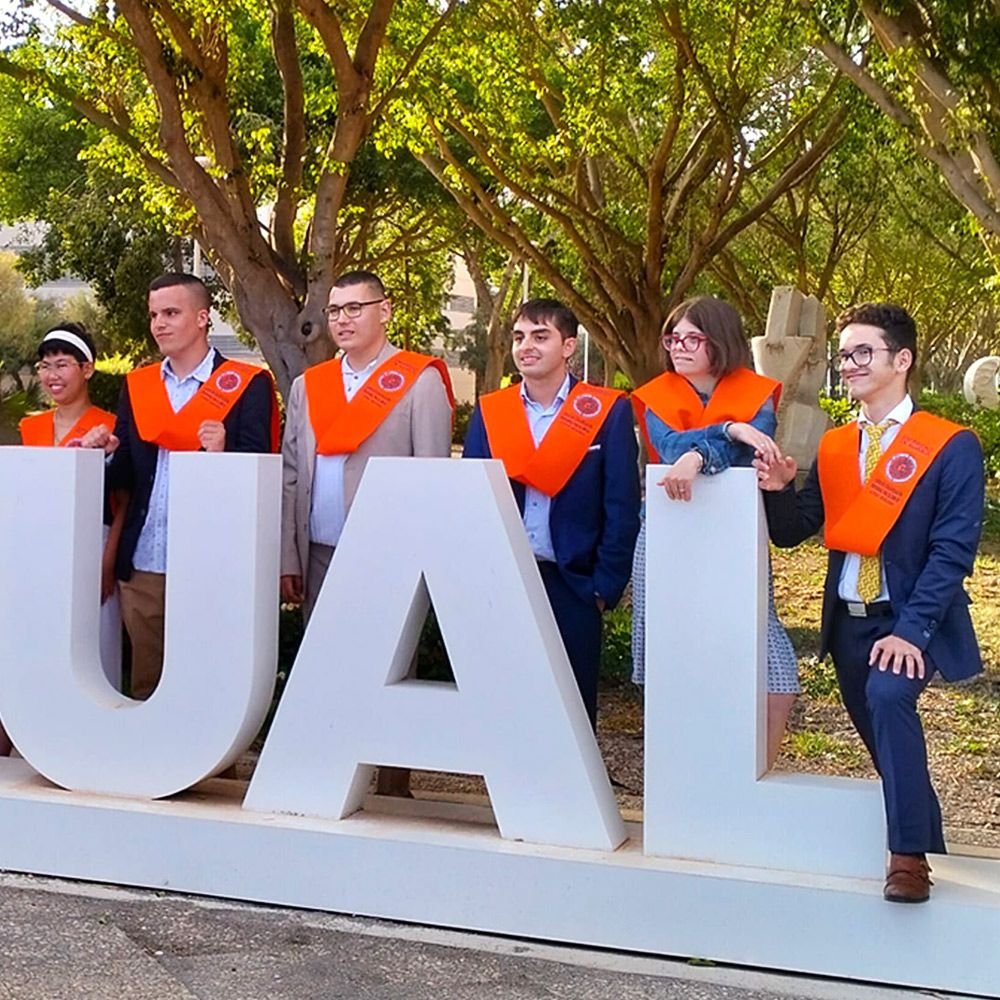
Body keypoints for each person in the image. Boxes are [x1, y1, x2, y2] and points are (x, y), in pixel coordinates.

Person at [755, 302, 985, 904]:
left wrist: (912, 632)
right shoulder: (836, 446)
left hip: (911, 620)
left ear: (901, 359)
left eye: (864, 352)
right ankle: (915, 825)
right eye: (845, 354)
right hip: (850, 621)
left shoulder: (950, 446)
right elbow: (795, 529)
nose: (850, 364)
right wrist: (779, 489)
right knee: (883, 739)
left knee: (889, 697)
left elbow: (952, 551)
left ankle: (907, 859)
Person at [280, 269, 454, 797]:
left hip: (389, 556)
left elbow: (431, 473)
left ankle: (389, 784)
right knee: (324, 667)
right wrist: (289, 556)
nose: (343, 319)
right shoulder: (309, 386)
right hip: (319, 550)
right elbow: (292, 475)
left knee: (388, 670)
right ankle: (327, 775)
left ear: (386, 309)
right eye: (335, 311)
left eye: (356, 308)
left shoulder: (419, 379)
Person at [82, 273, 279, 701]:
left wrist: (222, 455)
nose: (159, 324)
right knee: (147, 687)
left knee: (210, 689)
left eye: (171, 313)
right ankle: (148, 769)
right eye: (154, 314)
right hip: (146, 562)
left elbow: (260, 481)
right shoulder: (138, 386)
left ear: (203, 317)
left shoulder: (248, 385)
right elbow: (125, 480)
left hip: (212, 563)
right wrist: (101, 455)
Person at [630, 296, 799, 769]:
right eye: (673, 337)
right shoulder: (656, 395)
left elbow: (752, 455)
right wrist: (730, 431)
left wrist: (700, 456)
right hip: (668, 538)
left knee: (775, 671)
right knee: (673, 663)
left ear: (719, 341)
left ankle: (754, 777)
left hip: (736, 541)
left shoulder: (757, 392)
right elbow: (666, 444)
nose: (678, 347)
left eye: (691, 338)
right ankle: (686, 778)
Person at [463, 298, 640, 729]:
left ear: (568, 347)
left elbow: (622, 505)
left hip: (574, 582)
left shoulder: (607, 411)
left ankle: (570, 798)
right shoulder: (491, 412)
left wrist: (603, 587)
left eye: (540, 337)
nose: (527, 346)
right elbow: (470, 499)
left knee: (571, 709)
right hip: (505, 578)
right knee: (506, 698)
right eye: (520, 337)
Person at [19, 323, 124, 693]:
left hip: (92, 546)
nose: (52, 375)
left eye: (62, 364)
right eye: (45, 366)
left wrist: (107, 562)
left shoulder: (110, 427)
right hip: (39, 549)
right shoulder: (30, 427)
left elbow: (123, 504)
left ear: (87, 368)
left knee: (92, 646)